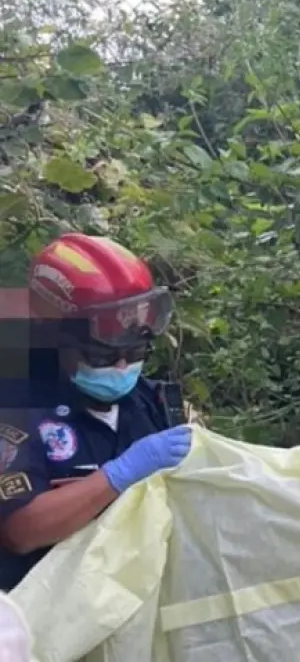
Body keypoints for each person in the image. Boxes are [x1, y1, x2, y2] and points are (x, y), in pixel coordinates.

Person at [0, 233, 192, 592]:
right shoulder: (16, 405)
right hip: (42, 618)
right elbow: (21, 530)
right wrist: (116, 478)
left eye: (136, 353)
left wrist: (82, 498)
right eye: (102, 357)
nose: (122, 367)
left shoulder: (153, 402)